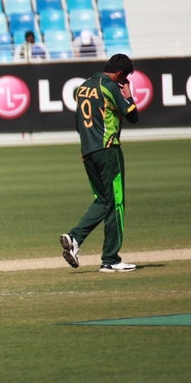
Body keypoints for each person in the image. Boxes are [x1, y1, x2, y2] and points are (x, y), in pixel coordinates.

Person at [60, 54, 141, 273]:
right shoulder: (110, 86)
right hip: (108, 150)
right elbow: (132, 115)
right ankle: (111, 259)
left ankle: (74, 239)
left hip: (87, 152)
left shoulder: (84, 87)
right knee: (116, 203)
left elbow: (78, 124)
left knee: (103, 200)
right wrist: (129, 95)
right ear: (121, 74)